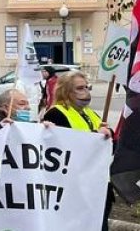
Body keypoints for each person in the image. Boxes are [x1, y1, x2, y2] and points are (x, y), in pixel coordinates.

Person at [42, 72, 114, 231]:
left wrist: (109, 133)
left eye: (87, 87)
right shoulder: (56, 114)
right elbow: (61, 148)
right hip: (75, 190)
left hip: (97, 187)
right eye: (80, 88)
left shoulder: (90, 113)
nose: (86, 92)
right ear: (66, 92)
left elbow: (108, 144)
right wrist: (97, 137)